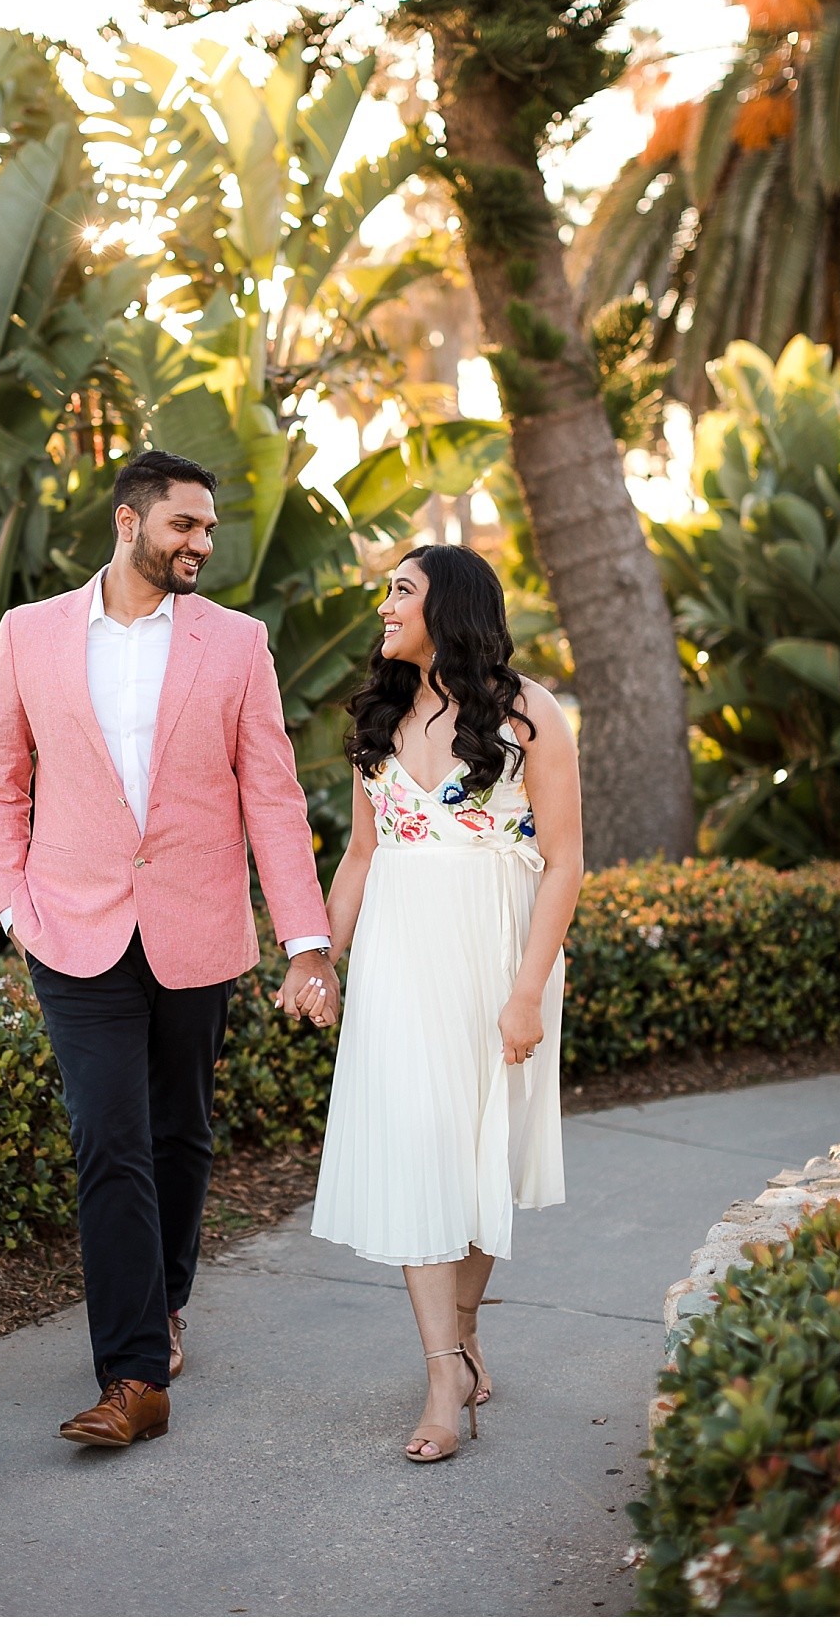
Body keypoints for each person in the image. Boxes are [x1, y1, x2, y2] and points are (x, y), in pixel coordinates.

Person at [0, 449, 339, 1450]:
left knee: (179, 1131)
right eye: (184, 525)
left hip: (196, 926)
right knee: (108, 1139)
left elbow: (271, 796)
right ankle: (131, 1373)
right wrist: (10, 900)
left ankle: (167, 1298)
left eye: (209, 528)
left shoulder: (237, 643)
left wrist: (305, 942)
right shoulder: (30, 634)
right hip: (71, 929)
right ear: (129, 522)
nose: (201, 544)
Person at [301, 542, 582, 1462]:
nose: (384, 605)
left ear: (450, 607)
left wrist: (528, 990)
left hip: (501, 957)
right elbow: (359, 854)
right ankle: (438, 1377)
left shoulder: (529, 714)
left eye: (402, 591)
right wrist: (319, 959)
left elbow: (566, 862)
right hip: (400, 963)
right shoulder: (379, 719)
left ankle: (463, 1336)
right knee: (421, 1149)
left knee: (477, 1157)